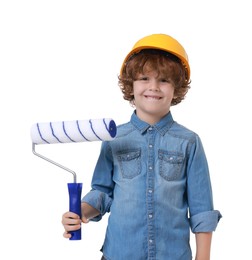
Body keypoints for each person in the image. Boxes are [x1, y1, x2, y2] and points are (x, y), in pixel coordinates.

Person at [62, 33, 222, 260]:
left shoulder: (189, 142)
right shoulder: (112, 137)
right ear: (131, 84)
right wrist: (80, 212)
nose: (153, 87)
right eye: (144, 78)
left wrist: (203, 257)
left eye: (164, 80)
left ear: (176, 88)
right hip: (118, 254)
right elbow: (103, 192)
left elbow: (201, 208)